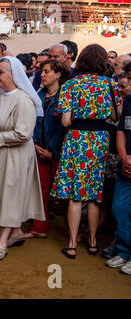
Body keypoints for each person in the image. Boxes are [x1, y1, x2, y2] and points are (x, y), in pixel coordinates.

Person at [50, 44, 119, 259]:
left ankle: (72, 243)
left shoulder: (71, 85)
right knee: (94, 194)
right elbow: (115, 118)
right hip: (99, 140)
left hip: (76, 139)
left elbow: (65, 120)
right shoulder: (110, 84)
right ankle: (92, 242)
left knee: (74, 194)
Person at [0, 56, 45, 261]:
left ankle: (2, 242)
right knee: (0, 193)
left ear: (14, 75)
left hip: (16, 156)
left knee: (10, 196)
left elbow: (24, 134)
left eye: (1, 72)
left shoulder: (24, 100)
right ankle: (15, 231)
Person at [21, 59, 70, 239]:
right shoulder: (38, 96)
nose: (42, 75)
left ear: (58, 74)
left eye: (47, 71)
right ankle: (39, 227)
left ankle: (73, 231)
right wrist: (34, 143)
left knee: (64, 194)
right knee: (40, 191)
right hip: (39, 150)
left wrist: (51, 149)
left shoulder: (65, 96)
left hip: (58, 153)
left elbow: (64, 128)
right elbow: (31, 121)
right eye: (42, 71)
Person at [105, 62, 131, 275]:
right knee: (120, 209)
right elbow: (121, 129)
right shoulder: (129, 101)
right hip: (127, 166)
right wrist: (124, 156)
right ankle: (123, 251)